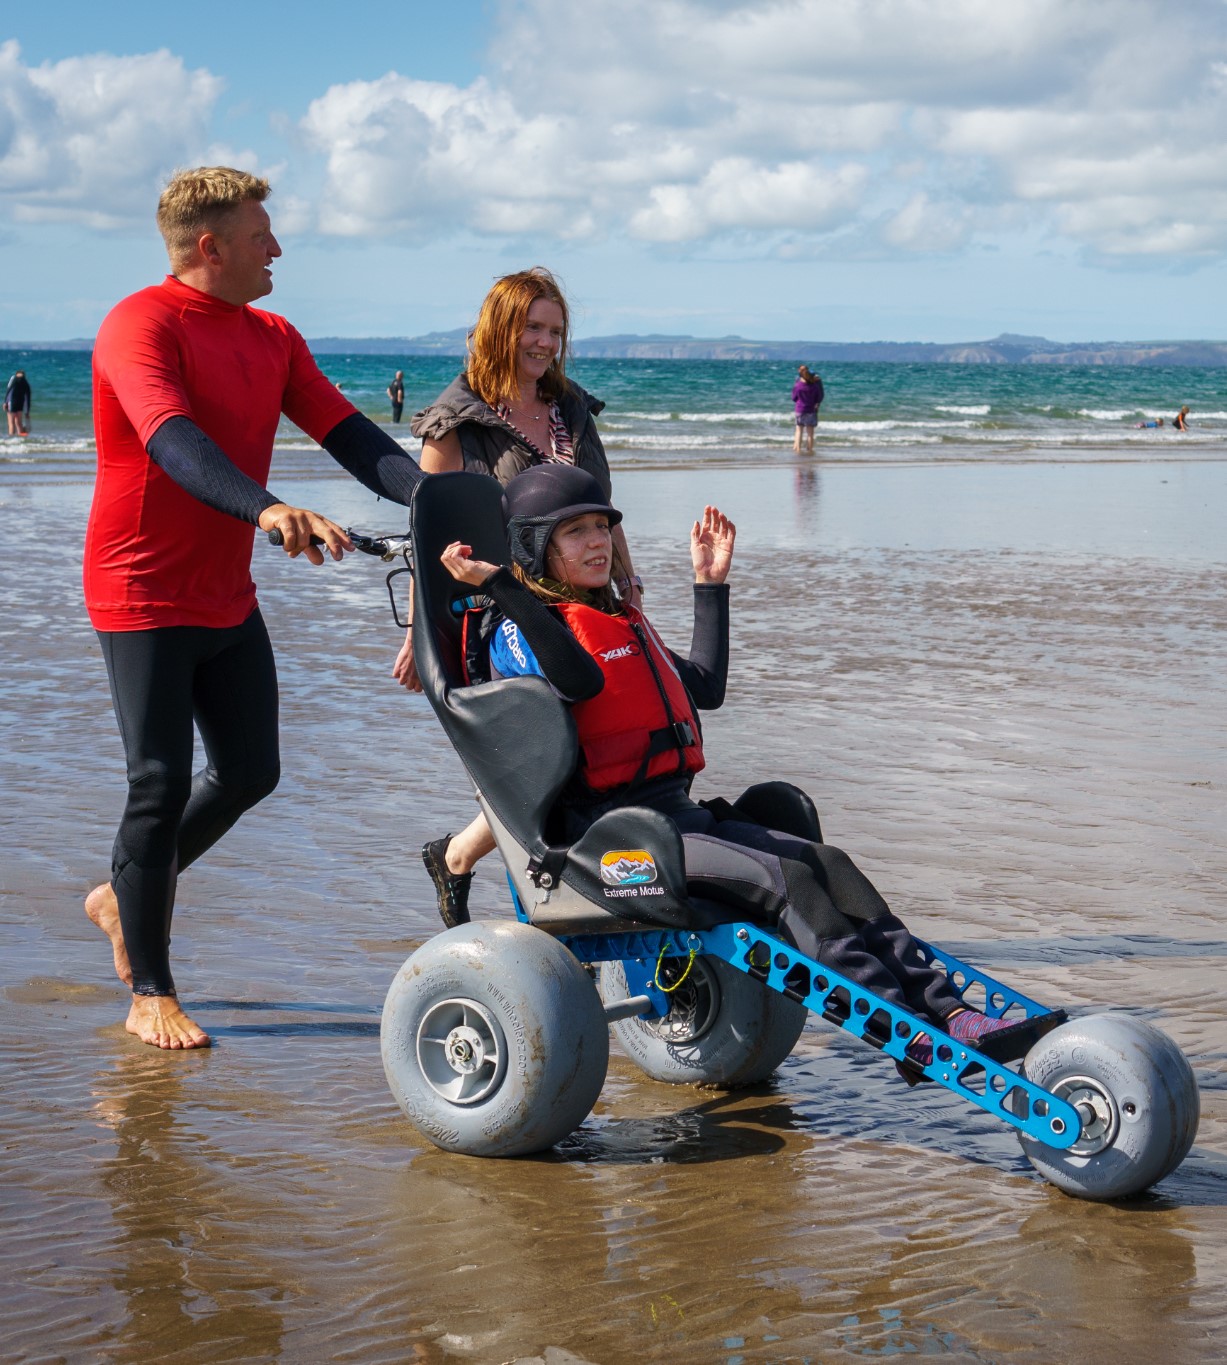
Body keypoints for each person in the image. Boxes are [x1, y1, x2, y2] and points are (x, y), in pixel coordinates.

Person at [436, 463, 1063, 1073]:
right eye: (575, 531)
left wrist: (710, 586)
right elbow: (576, 678)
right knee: (787, 880)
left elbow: (704, 686)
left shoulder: (619, 622)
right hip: (611, 840)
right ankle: (906, 1032)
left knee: (830, 865)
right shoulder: (517, 632)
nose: (598, 541)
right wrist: (502, 588)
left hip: (677, 818)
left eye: (602, 526)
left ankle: (952, 1016)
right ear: (535, 546)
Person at [83, 166, 425, 1050]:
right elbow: (172, 441)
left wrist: (440, 503)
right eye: (261, 235)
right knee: (157, 781)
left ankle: (125, 893)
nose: (277, 248)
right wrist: (269, 508)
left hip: (224, 591)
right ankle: (150, 988)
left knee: (249, 770)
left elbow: (349, 433)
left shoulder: (272, 335)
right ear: (212, 247)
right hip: (140, 590)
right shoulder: (139, 325)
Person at [403, 267, 640, 926]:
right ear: (500, 328)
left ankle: (461, 855)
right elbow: (431, 533)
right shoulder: (454, 421)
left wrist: (629, 586)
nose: (544, 343)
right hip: (498, 613)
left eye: (555, 331)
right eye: (533, 327)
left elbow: (602, 507)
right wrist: (415, 635)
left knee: (599, 744)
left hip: (584, 605)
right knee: (544, 752)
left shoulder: (569, 408)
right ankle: (527, 887)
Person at [792, 364, 824, 455]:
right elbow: (819, 398)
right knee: (810, 433)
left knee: (799, 430)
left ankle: (798, 450)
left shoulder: (798, 386)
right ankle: (809, 450)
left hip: (799, 409)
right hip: (811, 410)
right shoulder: (814, 387)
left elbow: (794, 398)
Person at [5, 368, 31, 435]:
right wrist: (27, 412)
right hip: (20, 403)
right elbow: (27, 398)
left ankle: (12, 440)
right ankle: (21, 441)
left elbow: (9, 391)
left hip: (12, 403)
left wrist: (5, 402)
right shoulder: (25, 382)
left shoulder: (13, 379)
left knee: (11, 423)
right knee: (19, 423)